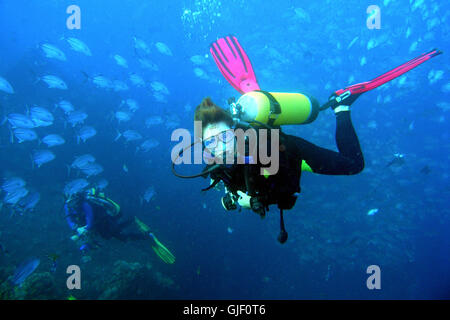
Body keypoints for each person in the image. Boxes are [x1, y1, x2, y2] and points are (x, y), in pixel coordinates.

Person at [173, 35, 441, 243]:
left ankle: (341, 107)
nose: (219, 146)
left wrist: (254, 199)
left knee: (353, 165)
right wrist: (232, 199)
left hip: (290, 155)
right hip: (269, 167)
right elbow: (227, 185)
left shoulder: (261, 148)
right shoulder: (216, 162)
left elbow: (287, 191)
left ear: (235, 130)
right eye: (211, 143)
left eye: (223, 136)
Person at [64, 188, 175, 263]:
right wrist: (78, 233)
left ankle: (147, 236)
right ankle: (132, 221)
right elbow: (70, 220)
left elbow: (90, 218)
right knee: (115, 234)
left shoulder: (84, 203)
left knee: (122, 236)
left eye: (71, 199)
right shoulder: (68, 207)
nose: (70, 202)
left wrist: (85, 228)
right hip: (99, 226)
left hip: (104, 221)